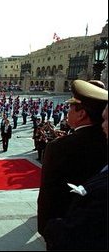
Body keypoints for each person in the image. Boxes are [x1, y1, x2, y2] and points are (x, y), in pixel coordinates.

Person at [37, 80, 108, 238]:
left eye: (70, 107)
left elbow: (49, 195)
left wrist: (47, 230)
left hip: (69, 227)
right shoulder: (105, 140)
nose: (67, 112)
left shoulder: (59, 147)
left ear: (82, 114)